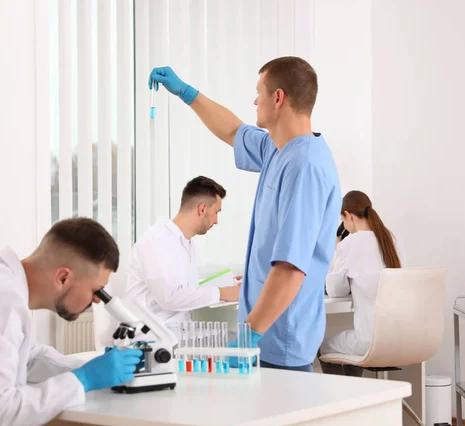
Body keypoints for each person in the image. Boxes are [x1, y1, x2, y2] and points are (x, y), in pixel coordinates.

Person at [149, 56, 341, 372]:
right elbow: (233, 131)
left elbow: (292, 269)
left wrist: (248, 336)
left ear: (278, 98)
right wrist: (185, 92)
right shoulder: (277, 150)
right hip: (266, 335)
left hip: (280, 339)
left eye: (259, 92)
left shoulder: (304, 166)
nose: (254, 100)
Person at [0, 218, 142, 426]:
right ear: (63, 278)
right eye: (96, 290)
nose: (95, 300)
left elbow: (27, 358)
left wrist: (90, 367)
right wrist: (82, 380)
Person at [125, 176, 240, 335]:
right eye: (216, 212)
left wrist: (230, 284)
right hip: (151, 339)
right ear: (202, 209)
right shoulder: (157, 239)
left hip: (176, 333)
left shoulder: (184, 242)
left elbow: (185, 290)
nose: (216, 220)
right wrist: (223, 293)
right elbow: (170, 297)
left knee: (231, 335)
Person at [319, 191, 402, 376]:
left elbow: (335, 291)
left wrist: (337, 246)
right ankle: (356, 396)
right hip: (400, 339)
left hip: (369, 342)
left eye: (343, 220)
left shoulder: (348, 244)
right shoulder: (390, 240)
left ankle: (346, 401)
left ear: (349, 216)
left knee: (323, 346)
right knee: (350, 343)